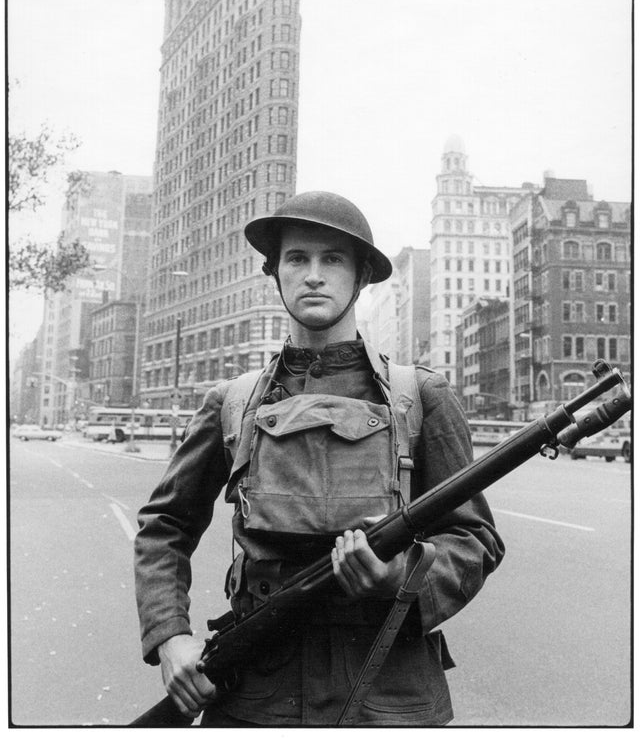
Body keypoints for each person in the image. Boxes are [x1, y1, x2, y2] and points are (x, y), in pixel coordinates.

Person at [134, 191, 505, 726]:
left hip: (388, 693)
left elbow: (473, 539)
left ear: (360, 278)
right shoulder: (234, 401)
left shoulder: (417, 396)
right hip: (257, 693)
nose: (314, 275)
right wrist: (170, 636)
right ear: (275, 272)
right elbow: (165, 524)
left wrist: (399, 574)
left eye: (333, 259)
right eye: (297, 258)